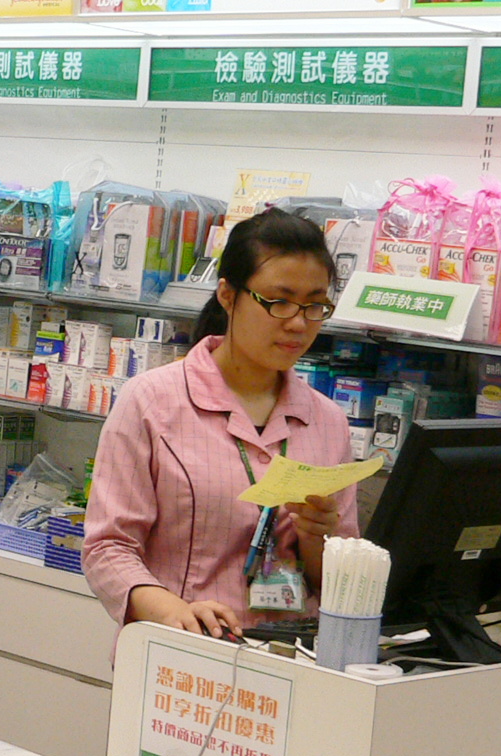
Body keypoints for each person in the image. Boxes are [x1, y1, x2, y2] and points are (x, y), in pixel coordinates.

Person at [84, 209, 359, 636]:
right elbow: (107, 548)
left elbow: (341, 582)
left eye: (315, 305)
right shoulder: (152, 402)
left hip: (289, 656)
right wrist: (172, 612)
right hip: (182, 652)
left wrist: (315, 538)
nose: (298, 323)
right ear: (228, 295)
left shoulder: (328, 422)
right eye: (279, 302)